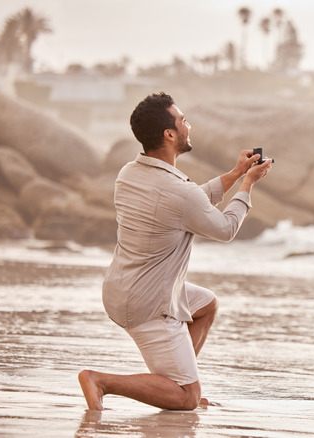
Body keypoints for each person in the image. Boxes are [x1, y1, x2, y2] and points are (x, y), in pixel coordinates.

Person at [78, 92, 272, 411]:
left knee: (205, 305)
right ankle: (107, 382)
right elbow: (224, 229)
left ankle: (176, 380)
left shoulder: (129, 174)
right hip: (148, 303)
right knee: (187, 399)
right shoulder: (179, 192)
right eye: (183, 121)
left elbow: (188, 201)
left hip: (120, 289)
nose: (188, 126)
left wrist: (238, 173)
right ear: (169, 134)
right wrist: (248, 185)